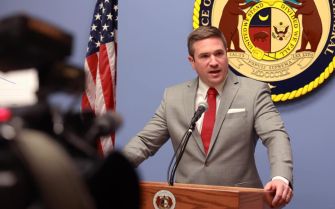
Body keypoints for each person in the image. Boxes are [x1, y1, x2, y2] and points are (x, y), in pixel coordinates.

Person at [123, 26, 293, 208]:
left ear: (227, 54)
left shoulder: (253, 92)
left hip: (240, 202)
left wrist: (281, 177)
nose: (214, 62)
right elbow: (145, 142)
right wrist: (110, 171)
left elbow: (275, 135)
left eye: (219, 53)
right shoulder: (173, 97)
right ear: (192, 61)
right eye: (204, 56)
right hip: (186, 201)